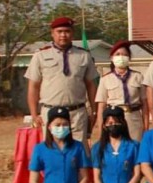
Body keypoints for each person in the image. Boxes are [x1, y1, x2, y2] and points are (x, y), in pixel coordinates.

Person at [25, 16, 99, 144]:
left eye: (67, 31)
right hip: (50, 112)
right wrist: (34, 114)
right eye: (59, 32)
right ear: (52, 33)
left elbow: (91, 85)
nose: (63, 35)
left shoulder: (83, 55)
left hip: (77, 113)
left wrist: (93, 111)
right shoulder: (40, 56)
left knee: (79, 150)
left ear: (72, 33)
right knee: (52, 150)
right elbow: (33, 87)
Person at [91, 106, 141, 183]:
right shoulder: (97, 148)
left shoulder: (134, 146)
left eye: (116, 122)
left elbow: (136, 175)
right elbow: (96, 177)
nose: (113, 125)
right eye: (109, 123)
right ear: (104, 125)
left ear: (123, 123)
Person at [95, 40, 148, 141]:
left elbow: (144, 103)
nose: (121, 57)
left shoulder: (138, 76)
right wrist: (101, 129)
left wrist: (146, 126)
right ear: (112, 58)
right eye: (118, 54)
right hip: (114, 120)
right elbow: (101, 106)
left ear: (129, 58)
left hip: (134, 119)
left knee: (135, 147)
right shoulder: (105, 79)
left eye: (125, 55)